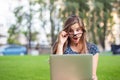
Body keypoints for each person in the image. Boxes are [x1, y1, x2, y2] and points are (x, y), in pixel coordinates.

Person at [52, 15, 99, 80]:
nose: (75, 33)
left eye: (78, 30)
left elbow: (93, 75)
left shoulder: (92, 48)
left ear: (82, 30)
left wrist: (94, 78)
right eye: (71, 30)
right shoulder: (62, 46)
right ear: (66, 32)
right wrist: (60, 44)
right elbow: (57, 72)